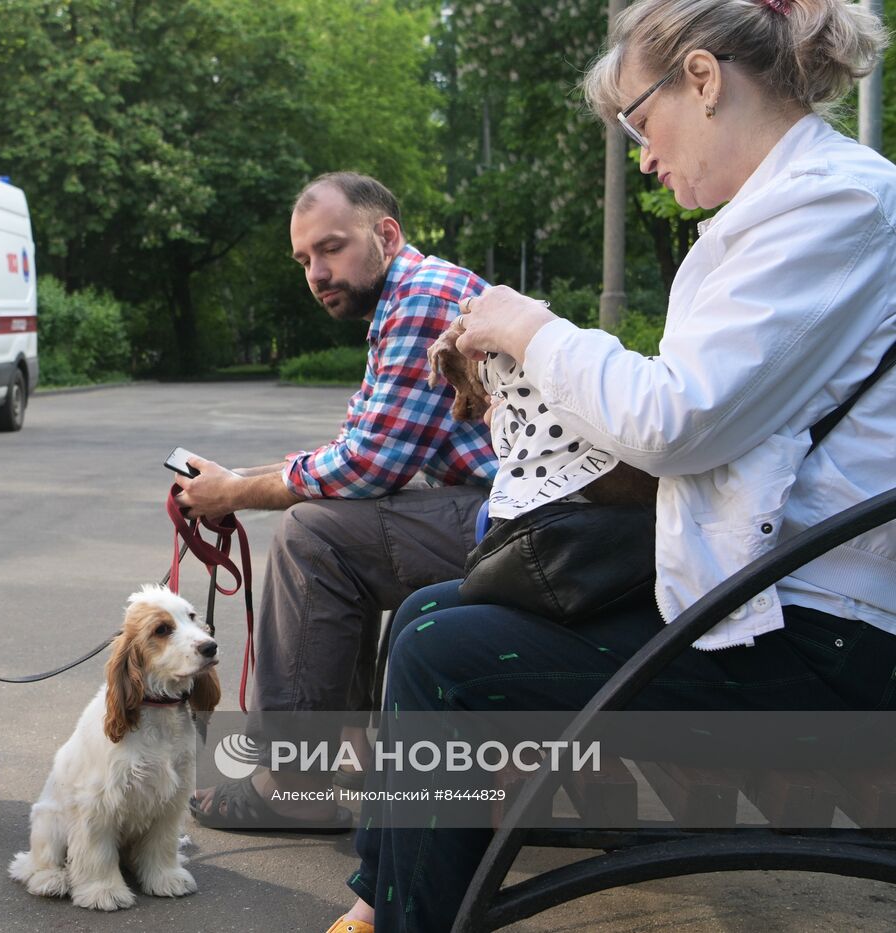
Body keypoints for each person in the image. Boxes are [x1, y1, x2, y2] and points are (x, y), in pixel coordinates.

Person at [329, 1, 896, 930]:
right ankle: (383, 901)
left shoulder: (838, 205)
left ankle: (405, 917)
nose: (640, 153)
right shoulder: (786, 210)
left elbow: (676, 419)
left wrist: (529, 327)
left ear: (704, 81)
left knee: (443, 652)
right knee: (439, 610)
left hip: (824, 646)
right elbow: (700, 417)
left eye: (638, 119)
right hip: (760, 600)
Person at [177, 172, 497, 831]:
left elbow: (362, 467)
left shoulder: (424, 297)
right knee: (330, 524)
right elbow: (357, 447)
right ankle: (345, 748)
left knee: (315, 536)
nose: (317, 272)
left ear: (385, 234)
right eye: (304, 260)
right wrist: (231, 480)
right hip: (516, 511)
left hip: (537, 525)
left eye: (330, 248)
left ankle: (293, 780)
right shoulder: (406, 298)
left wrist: (234, 490)